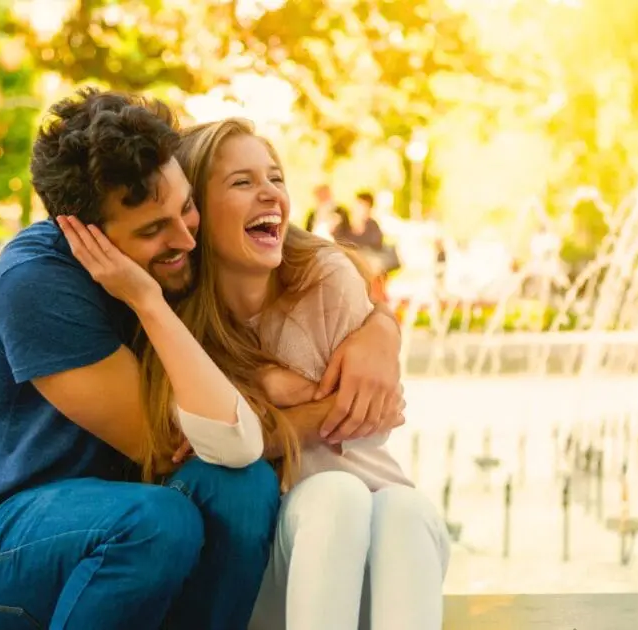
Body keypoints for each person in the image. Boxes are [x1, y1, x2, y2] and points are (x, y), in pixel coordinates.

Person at [0, 88, 403, 630]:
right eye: (153, 230)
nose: (185, 237)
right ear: (84, 235)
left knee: (242, 484)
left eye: (186, 208)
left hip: (140, 527)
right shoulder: (36, 286)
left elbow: (302, 257)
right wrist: (333, 411)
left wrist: (381, 330)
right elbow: (164, 447)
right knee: (158, 521)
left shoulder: (181, 241)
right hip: (14, 540)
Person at [61, 118, 448, 630]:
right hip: (281, 558)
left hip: (387, 545)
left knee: (403, 507)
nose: (269, 193)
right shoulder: (178, 325)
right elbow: (220, 444)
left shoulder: (324, 278)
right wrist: (295, 394)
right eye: (242, 182)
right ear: (195, 210)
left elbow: (374, 417)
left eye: (275, 178)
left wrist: (378, 332)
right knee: (337, 495)